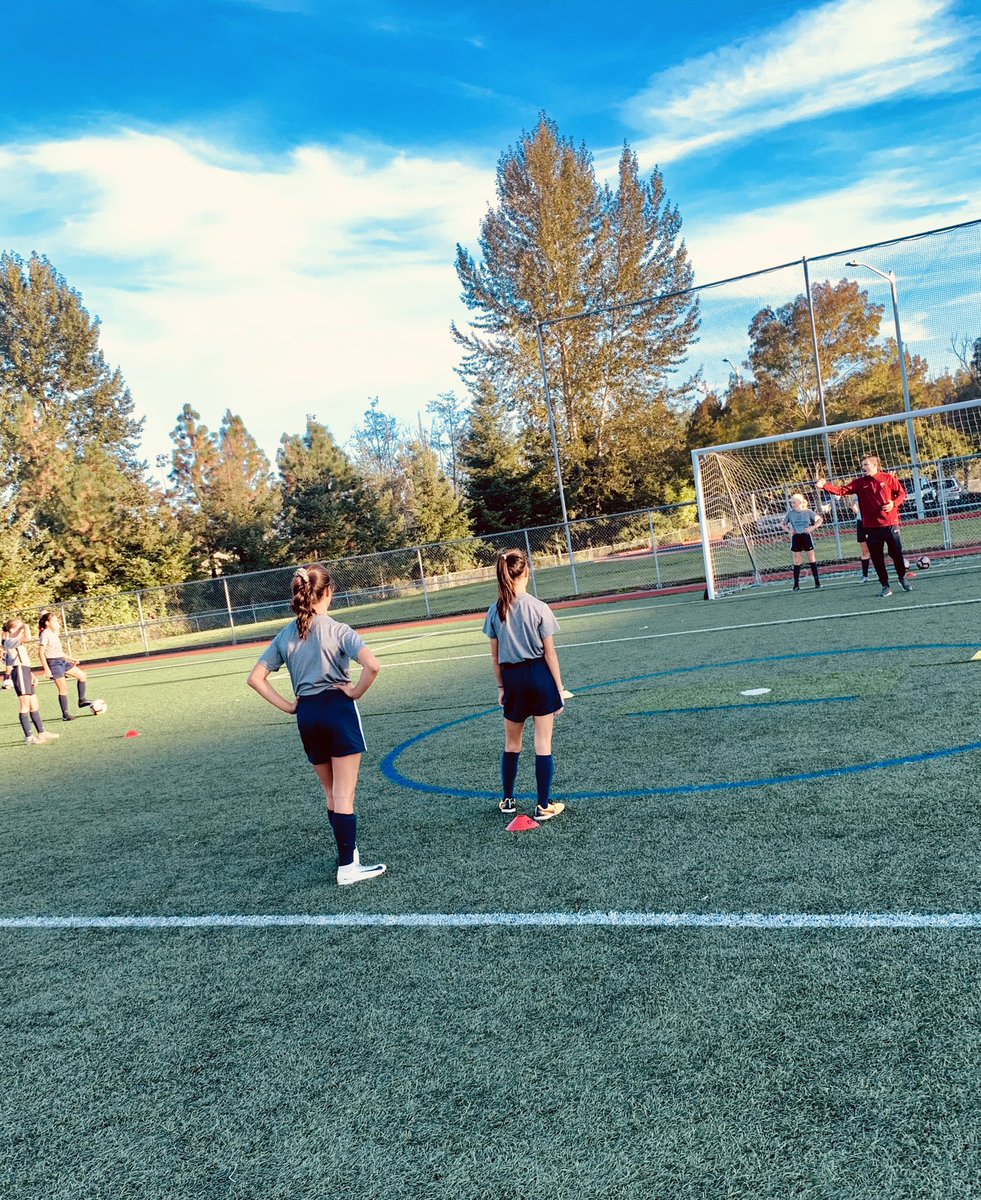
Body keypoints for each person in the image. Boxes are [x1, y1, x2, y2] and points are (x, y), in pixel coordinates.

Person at [247, 564, 386, 887]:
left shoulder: (286, 634)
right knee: (344, 793)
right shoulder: (338, 629)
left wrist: (290, 706)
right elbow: (373, 665)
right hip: (338, 711)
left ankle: (346, 855)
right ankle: (347, 867)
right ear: (329, 592)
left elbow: (255, 679)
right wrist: (354, 692)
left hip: (308, 716)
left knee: (330, 791)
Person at [483, 548, 567, 822]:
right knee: (543, 743)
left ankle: (507, 800)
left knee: (512, 743)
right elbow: (550, 653)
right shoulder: (539, 607)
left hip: (512, 679)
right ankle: (543, 805)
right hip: (539, 676)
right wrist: (558, 687)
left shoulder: (495, 611)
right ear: (526, 572)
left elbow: (495, 658)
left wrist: (501, 688)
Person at [817, 456, 911, 598]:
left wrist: (894, 503)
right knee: (877, 558)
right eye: (862, 465)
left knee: (896, 553)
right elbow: (841, 490)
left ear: (874, 465)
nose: (863, 467)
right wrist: (825, 485)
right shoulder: (859, 483)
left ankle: (902, 578)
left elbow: (902, 494)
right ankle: (885, 585)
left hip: (891, 524)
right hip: (871, 527)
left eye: (866, 464)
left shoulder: (887, 478)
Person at [3, 619, 59, 745]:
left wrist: (31, 674)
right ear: (12, 630)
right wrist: (25, 626)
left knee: (34, 704)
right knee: (25, 705)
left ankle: (41, 732)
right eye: (19, 628)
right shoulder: (10, 640)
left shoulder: (16, 641)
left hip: (25, 671)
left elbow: (22, 659)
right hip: (19, 672)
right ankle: (29, 737)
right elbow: (28, 638)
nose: (21, 630)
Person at [37, 611, 94, 720]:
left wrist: (71, 659)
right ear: (47, 623)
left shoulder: (54, 633)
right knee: (63, 689)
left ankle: (81, 700)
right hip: (54, 663)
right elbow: (40, 652)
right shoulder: (45, 634)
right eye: (54, 621)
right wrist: (47, 669)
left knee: (82, 676)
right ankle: (65, 714)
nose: (57, 622)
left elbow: (59, 652)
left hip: (62, 661)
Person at [781, 494, 823, 591]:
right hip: (796, 537)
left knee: (811, 559)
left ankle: (817, 583)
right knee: (797, 561)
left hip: (806, 536)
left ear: (800, 502)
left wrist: (812, 527)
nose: (792, 504)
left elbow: (820, 519)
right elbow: (782, 524)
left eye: (794, 502)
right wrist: (789, 530)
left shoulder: (808, 512)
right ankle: (796, 585)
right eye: (791, 502)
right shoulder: (790, 513)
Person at [851, 499, 872, 580]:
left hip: (873, 521)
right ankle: (865, 575)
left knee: (877, 549)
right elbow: (852, 504)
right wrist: (858, 513)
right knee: (865, 551)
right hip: (861, 523)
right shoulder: (856, 494)